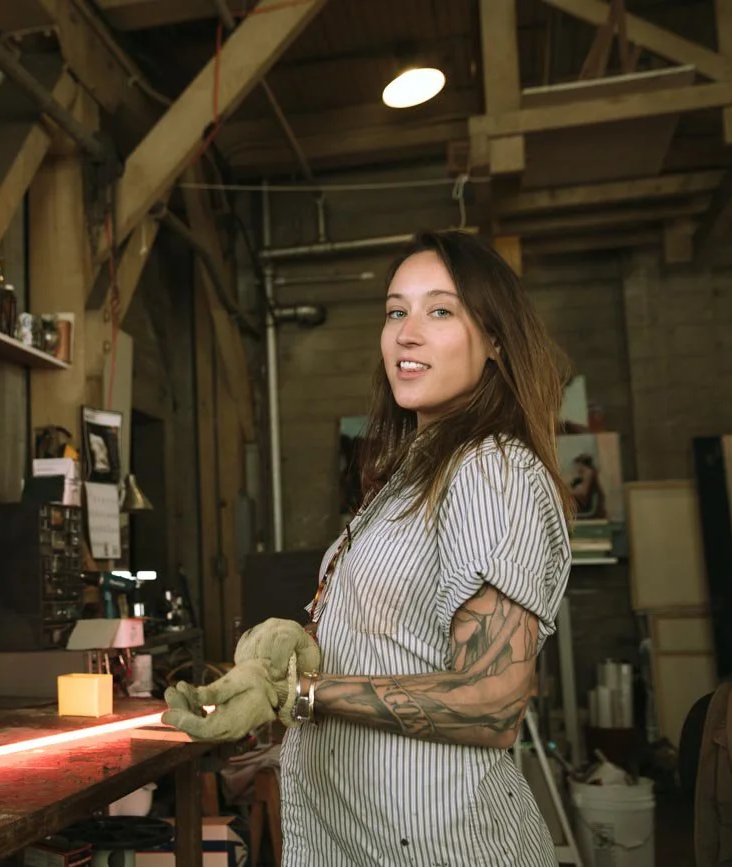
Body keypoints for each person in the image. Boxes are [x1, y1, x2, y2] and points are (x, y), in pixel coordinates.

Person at [279, 230, 575, 865]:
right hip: (367, 839)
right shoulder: (411, 476)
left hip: (442, 843)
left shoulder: (491, 468)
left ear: (495, 340)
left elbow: (492, 701)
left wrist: (305, 691)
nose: (406, 334)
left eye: (440, 310)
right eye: (395, 311)